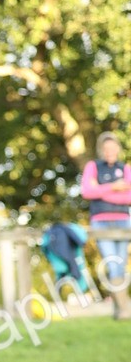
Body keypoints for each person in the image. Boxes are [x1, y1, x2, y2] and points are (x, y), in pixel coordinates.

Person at [80, 132, 131, 319]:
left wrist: (100, 191)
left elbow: (129, 196)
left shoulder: (125, 169)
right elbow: (86, 191)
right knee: (112, 263)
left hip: (123, 221)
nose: (110, 151)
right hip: (101, 221)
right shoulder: (93, 167)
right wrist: (114, 187)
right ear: (101, 150)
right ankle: (123, 309)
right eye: (106, 148)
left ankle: (120, 309)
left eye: (113, 147)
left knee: (121, 263)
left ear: (118, 148)